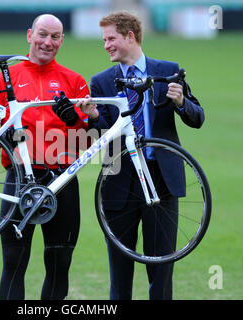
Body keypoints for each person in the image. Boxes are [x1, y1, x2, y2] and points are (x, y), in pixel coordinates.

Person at [77, 11, 205, 300]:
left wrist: (182, 101)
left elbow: (198, 118)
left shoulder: (168, 70)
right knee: (119, 278)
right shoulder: (101, 81)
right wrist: (94, 117)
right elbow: (101, 139)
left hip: (162, 182)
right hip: (119, 183)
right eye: (104, 39)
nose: (106, 45)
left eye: (111, 38)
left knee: (161, 275)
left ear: (130, 36)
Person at [0, 14, 91, 300]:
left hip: (62, 181)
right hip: (19, 181)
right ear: (29, 35)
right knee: (13, 264)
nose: (47, 42)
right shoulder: (4, 80)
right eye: (42, 34)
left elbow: (91, 141)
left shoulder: (75, 81)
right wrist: (5, 135)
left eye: (55, 37)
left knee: (59, 265)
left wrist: (76, 119)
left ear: (62, 41)